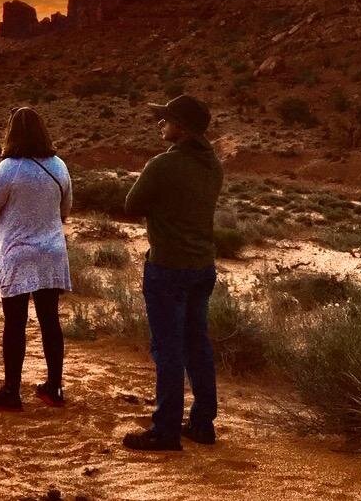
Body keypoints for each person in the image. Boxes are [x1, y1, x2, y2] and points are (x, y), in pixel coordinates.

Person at [121, 94, 222, 452]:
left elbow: (131, 204)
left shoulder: (163, 164)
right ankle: (203, 424)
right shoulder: (213, 164)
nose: (160, 124)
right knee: (197, 345)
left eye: (166, 119)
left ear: (182, 126)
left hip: (167, 266)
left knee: (168, 349)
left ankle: (165, 430)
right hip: (202, 265)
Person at [0, 107, 73, 411]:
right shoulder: (59, 166)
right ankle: (54, 388)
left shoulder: (7, 168)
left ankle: (11, 392)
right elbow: (65, 210)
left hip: (17, 255)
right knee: (50, 320)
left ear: (11, 132)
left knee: (15, 322)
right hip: (51, 253)